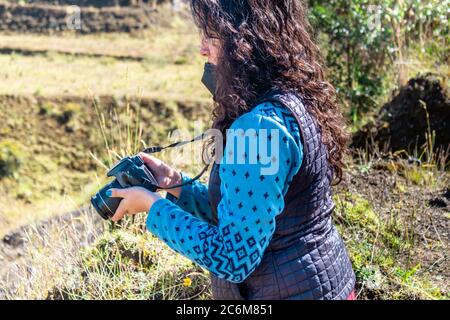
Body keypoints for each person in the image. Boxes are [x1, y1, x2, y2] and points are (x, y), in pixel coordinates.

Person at [106, 0, 356, 300]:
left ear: (245, 39)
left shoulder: (260, 128)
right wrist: (173, 184)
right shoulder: (289, 99)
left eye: (212, 35)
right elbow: (245, 210)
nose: (202, 49)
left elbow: (232, 257)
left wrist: (152, 207)